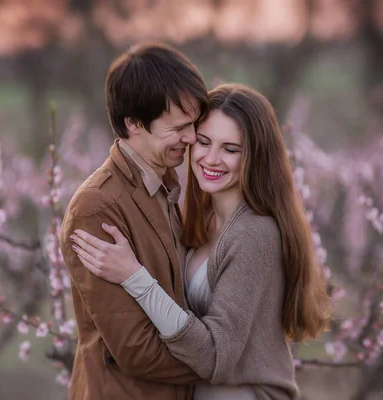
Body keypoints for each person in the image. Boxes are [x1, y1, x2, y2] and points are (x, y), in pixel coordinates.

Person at [70, 84, 333, 400]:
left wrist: (133, 276)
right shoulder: (198, 221)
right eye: (204, 142)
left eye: (230, 149)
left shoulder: (254, 234)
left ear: (256, 155)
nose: (211, 158)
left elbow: (214, 356)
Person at [58, 42, 208, 399]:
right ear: (133, 123)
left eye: (194, 124)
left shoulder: (165, 185)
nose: (191, 138)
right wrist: (223, 360)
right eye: (178, 128)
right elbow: (135, 349)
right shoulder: (97, 209)